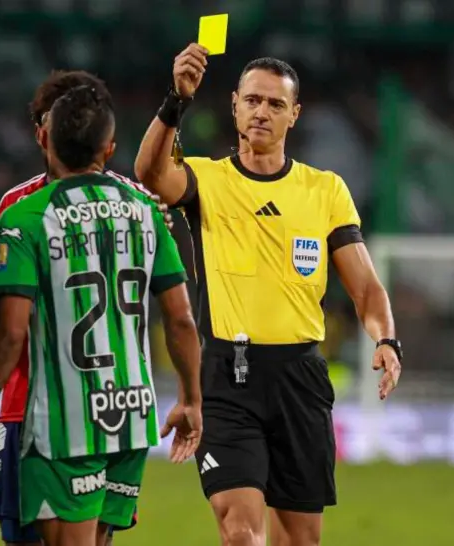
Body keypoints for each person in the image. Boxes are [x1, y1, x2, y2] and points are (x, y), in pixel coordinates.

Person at [134, 47, 403, 546]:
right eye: (253, 100)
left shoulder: (324, 190)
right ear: (234, 105)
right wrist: (176, 100)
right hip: (227, 379)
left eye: (276, 104)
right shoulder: (206, 178)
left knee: (299, 540)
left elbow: (365, 286)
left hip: (300, 380)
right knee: (241, 532)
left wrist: (386, 338)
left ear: (294, 115)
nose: (262, 111)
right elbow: (149, 174)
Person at [0, 83, 203, 546]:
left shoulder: (26, 216)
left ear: (44, 138)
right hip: (130, 412)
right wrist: (192, 397)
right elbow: (181, 319)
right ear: (108, 148)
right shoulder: (146, 210)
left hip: (63, 417)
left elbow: (10, 333)